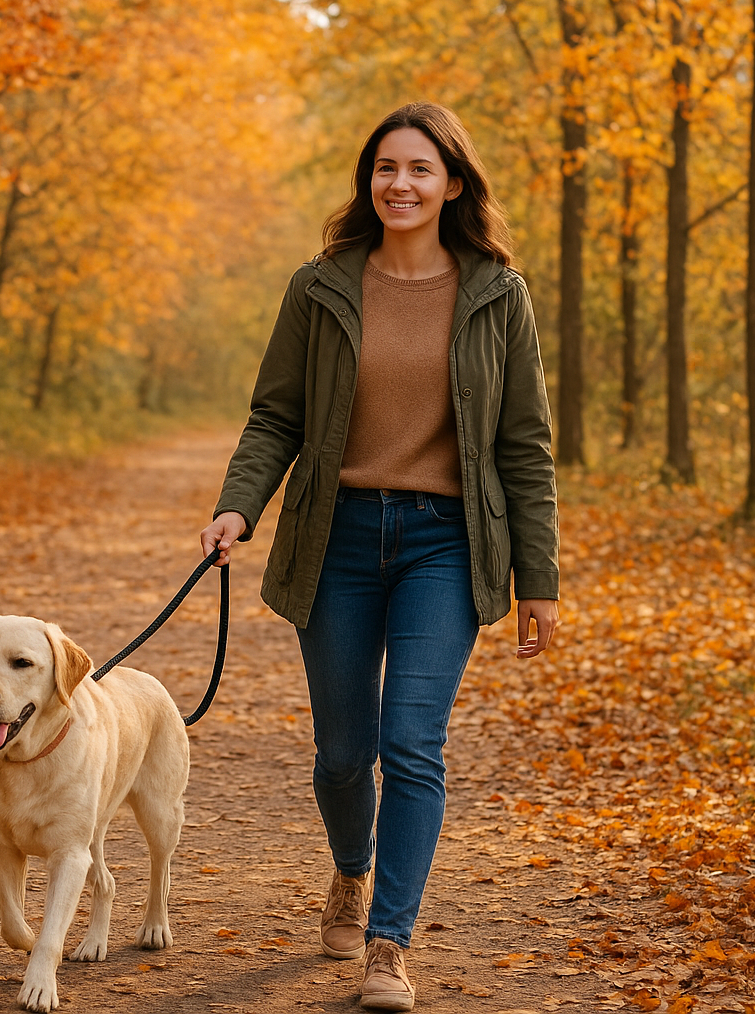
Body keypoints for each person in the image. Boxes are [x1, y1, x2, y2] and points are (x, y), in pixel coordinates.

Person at [198, 101, 560, 1012]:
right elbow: (276, 414)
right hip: (339, 538)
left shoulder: (497, 294)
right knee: (341, 752)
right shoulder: (320, 286)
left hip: (448, 541)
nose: (401, 184)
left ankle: (390, 944)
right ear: (370, 181)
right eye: (386, 168)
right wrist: (237, 509)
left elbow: (525, 445)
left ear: (454, 185)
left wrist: (539, 582)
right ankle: (350, 873)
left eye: (421, 170)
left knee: (412, 742)